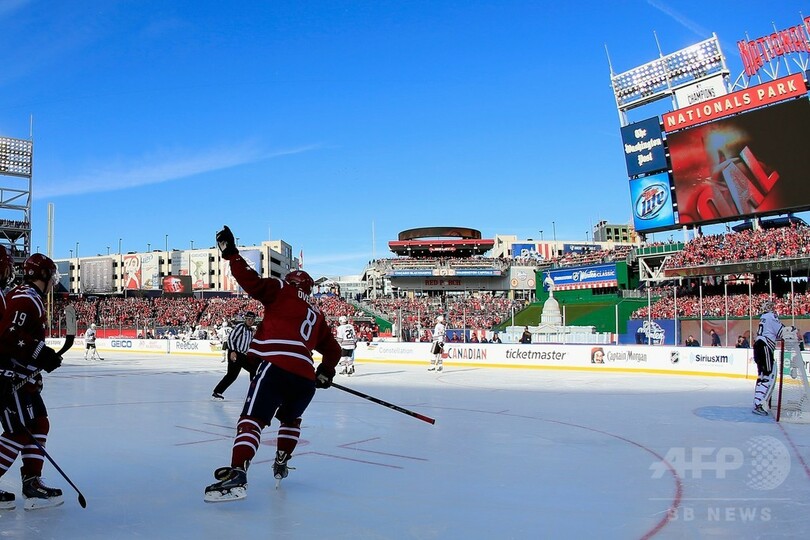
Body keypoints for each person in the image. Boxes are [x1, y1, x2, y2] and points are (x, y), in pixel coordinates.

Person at [204, 226, 341, 502]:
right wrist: (325, 372)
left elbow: (251, 282)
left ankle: (238, 473)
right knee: (291, 420)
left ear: (291, 281)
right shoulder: (318, 314)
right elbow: (334, 350)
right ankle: (281, 461)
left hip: (275, 366)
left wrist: (232, 255)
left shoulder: (282, 289)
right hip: (304, 379)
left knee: (252, 420)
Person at [0, 253, 64, 510]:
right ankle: (32, 484)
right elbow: (8, 335)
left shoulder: (24, 295)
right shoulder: (26, 298)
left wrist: (36, 366)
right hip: (10, 377)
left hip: (18, 377)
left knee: (38, 423)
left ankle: (32, 483)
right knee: (19, 430)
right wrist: (40, 353)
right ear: (45, 275)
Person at [752, 301, 796, 416]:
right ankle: (759, 405)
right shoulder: (771, 316)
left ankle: (757, 402)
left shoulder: (763, 318)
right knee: (767, 375)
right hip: (765, 346)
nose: (773, 308)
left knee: (762, 375)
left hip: (758, 345)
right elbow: (781, 331)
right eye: (771, 307)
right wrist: (791, 330)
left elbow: (772, 332)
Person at [211, 311, 258, 400]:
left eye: (252, 319)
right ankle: (217, 392)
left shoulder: (251, 330)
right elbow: (231, 338)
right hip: (236, 353)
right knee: (233, 375)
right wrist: (232, 351)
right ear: (245, 319)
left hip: (243, 355)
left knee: (252, 370)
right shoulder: (241, 327)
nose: (250, 321)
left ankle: (253, 391)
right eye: (249, 319)